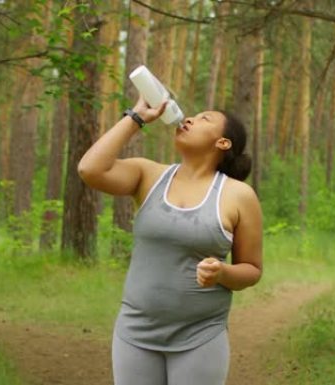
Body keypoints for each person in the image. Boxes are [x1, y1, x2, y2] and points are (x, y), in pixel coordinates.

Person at [78, 96, 263, 385]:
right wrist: (137, 116)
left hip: (200, 336)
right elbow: (89, 170)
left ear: (223, 143)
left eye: (205, 118)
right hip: (135, 332)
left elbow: (251, 269)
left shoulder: (238, 195)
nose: (189, 119)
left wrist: (222, 273)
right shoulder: (148, 175)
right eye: (193, 114)